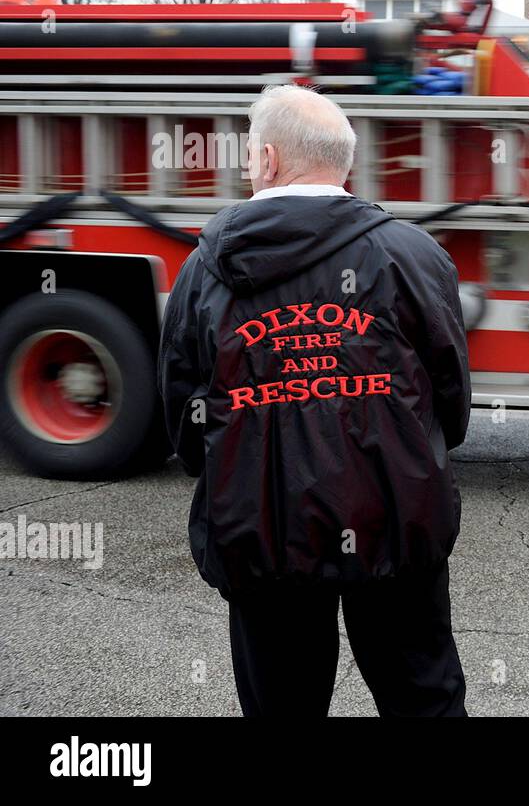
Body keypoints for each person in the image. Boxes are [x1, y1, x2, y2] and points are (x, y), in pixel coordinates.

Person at [158, 85, 472, 717]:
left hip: (263, 534)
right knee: (424, 701)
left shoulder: (202, 273)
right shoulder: (413, 257)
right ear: (343, 164)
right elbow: (452, 403)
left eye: (249, 153)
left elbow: (184, 416)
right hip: (395, 525)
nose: (249, 165)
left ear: (269, 159)